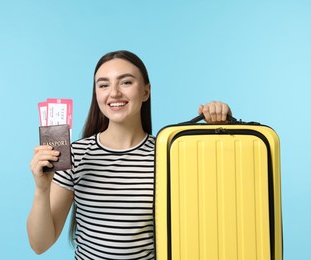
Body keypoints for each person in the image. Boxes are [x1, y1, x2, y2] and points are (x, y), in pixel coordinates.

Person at [27, 50, 232, 259]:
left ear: (145, 91)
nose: (114, 93)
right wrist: (42, 189)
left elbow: (217, 205)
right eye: (104, 85)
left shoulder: (169, 156)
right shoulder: (75, 155)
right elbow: (40, 245)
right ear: (96, 94)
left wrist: (221, 130)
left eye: (125, 82)